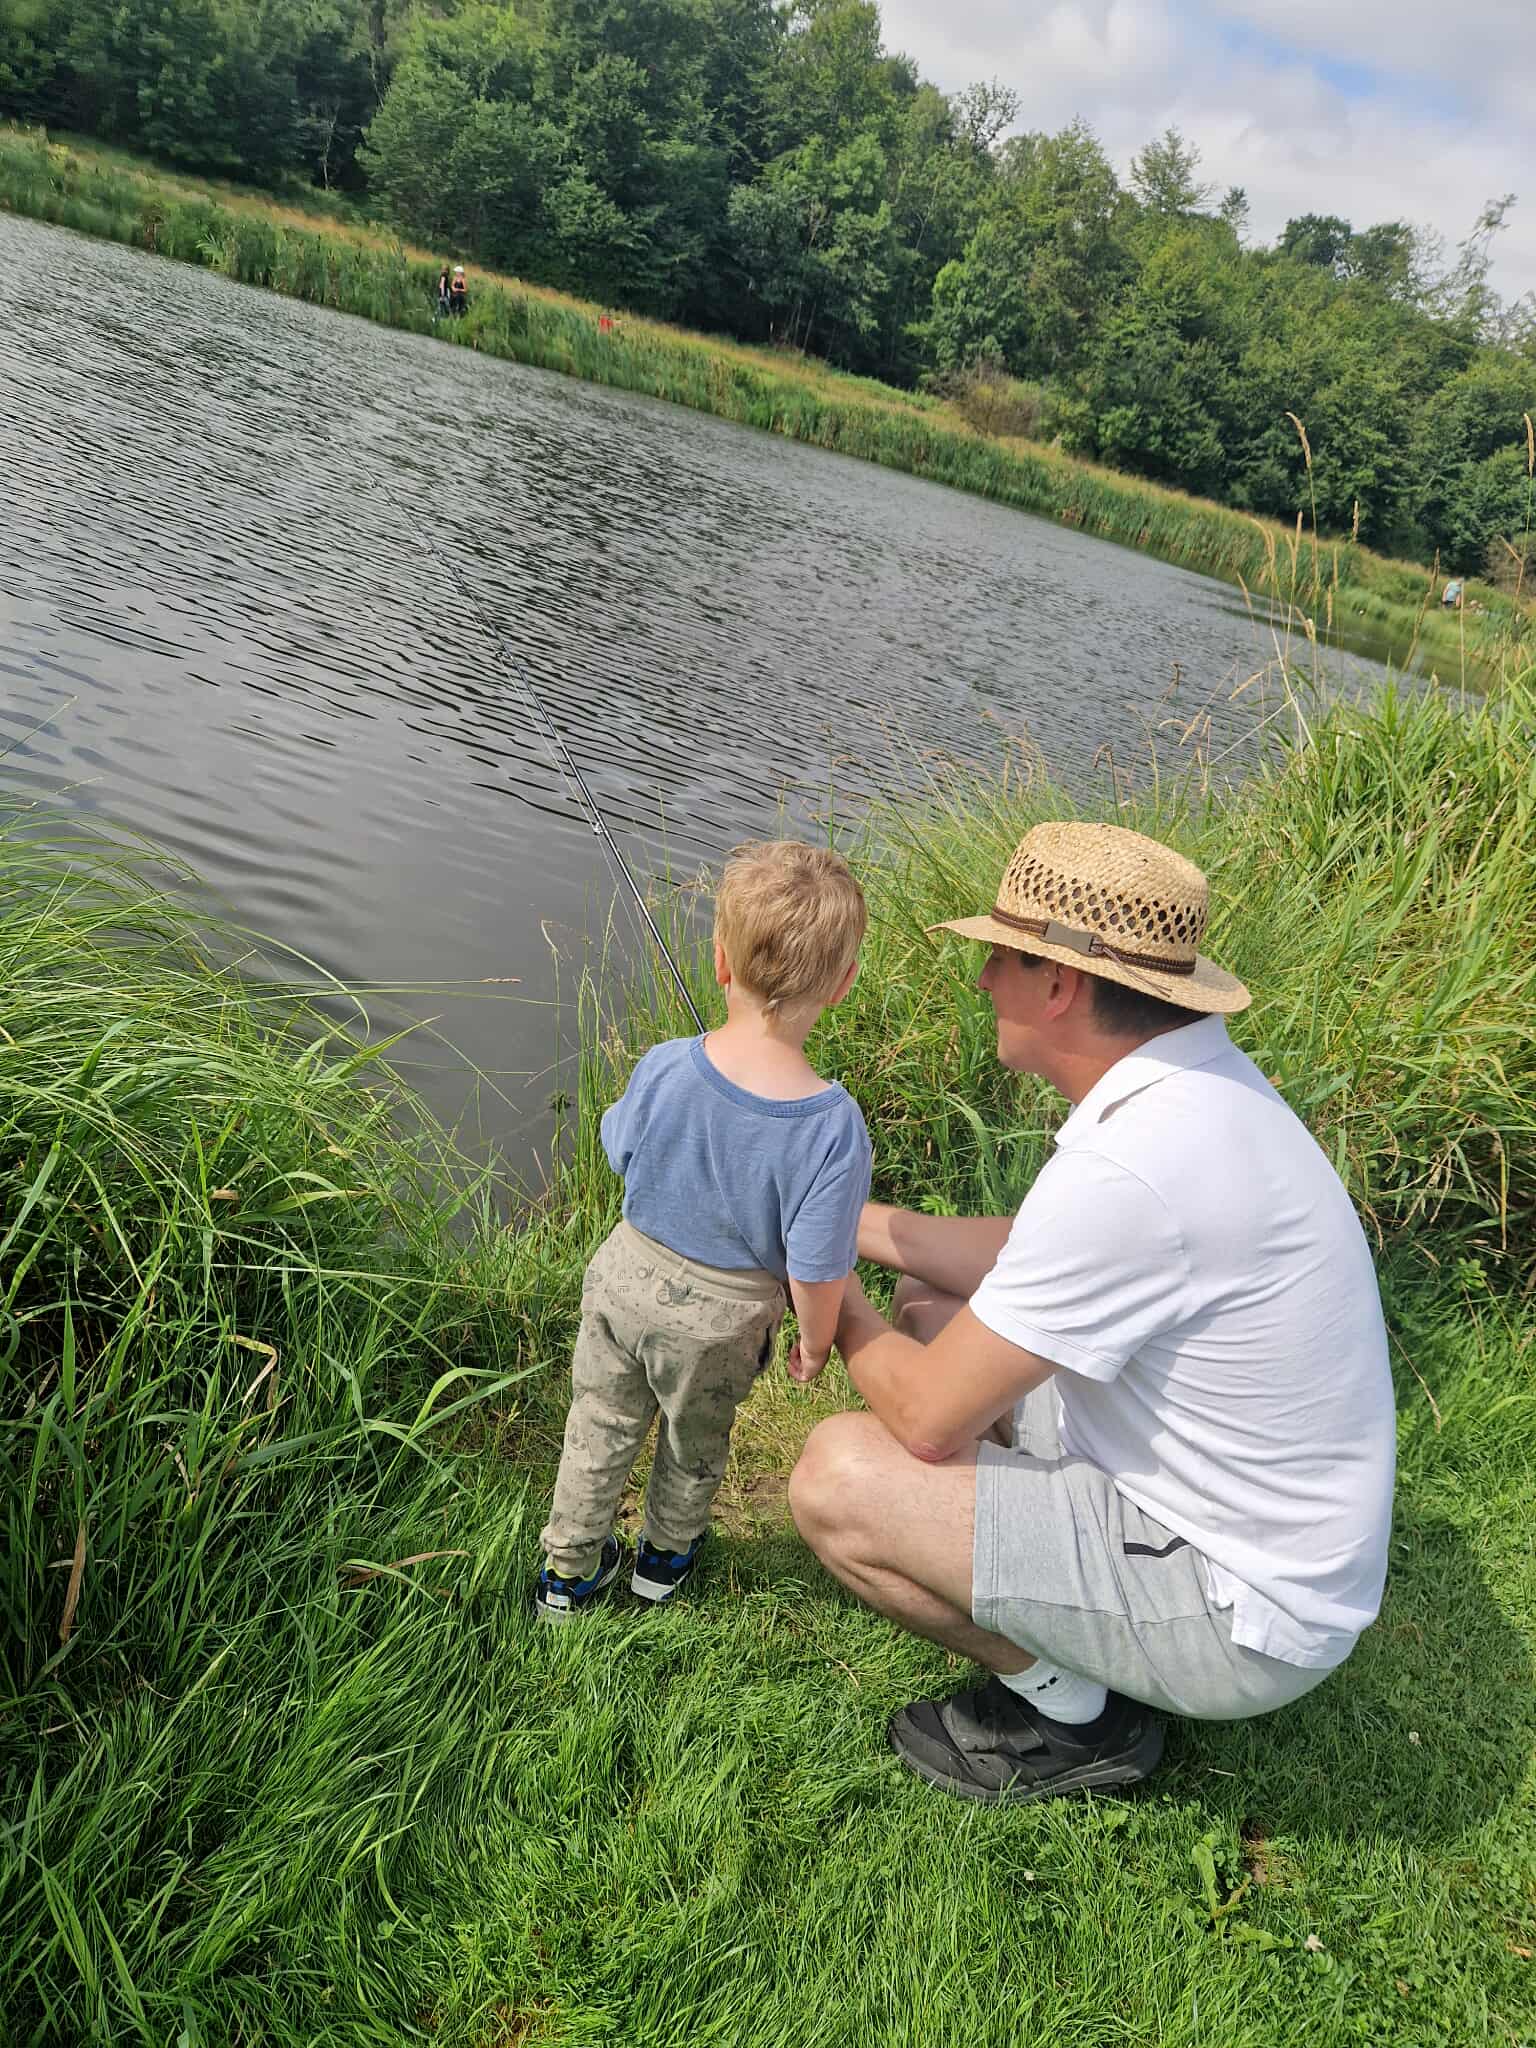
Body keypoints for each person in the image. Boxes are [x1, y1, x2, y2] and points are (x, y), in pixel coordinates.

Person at [789, 821, 1396, 1803]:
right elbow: (1021, 1255)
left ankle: (1077, 1714)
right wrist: (836, 1219)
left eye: (1000, 955)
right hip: (1237, 1505)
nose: (982, 977)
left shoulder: (1136, 1166)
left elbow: (927, 1416)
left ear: (1059, 984)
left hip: (1238, 1608)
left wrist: (823, 1284)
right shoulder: (1195, 1087)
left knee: (841, 1476)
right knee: (937, 1308)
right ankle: (1067, 1604)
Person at [536, 841, 871, 1620]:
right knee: (694, 1444)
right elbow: (818, 1264)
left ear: (720, 961)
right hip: (721, 1320)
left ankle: (566, 1578)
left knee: (600, 1425)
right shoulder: (832, 1125)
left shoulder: (664, 1062)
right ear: (844, 984)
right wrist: (817, 1343)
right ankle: (663, 1562)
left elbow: (620, 1149)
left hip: (623, 1277)